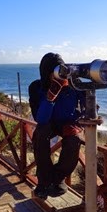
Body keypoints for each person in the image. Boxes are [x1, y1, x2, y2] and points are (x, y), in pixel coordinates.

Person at [29, 53, 85, 199]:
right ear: (46, 73)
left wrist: (85, 117)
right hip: (48, 122)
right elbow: (40, 118)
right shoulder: (36, 87)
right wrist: (50, 96)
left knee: (74, 140)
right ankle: (45, 181)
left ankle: (56, 179)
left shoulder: (74, 84)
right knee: (40, 135)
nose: (60, 75)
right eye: (55, 72)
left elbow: (86, 104)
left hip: (68, 122)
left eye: (62, 70)